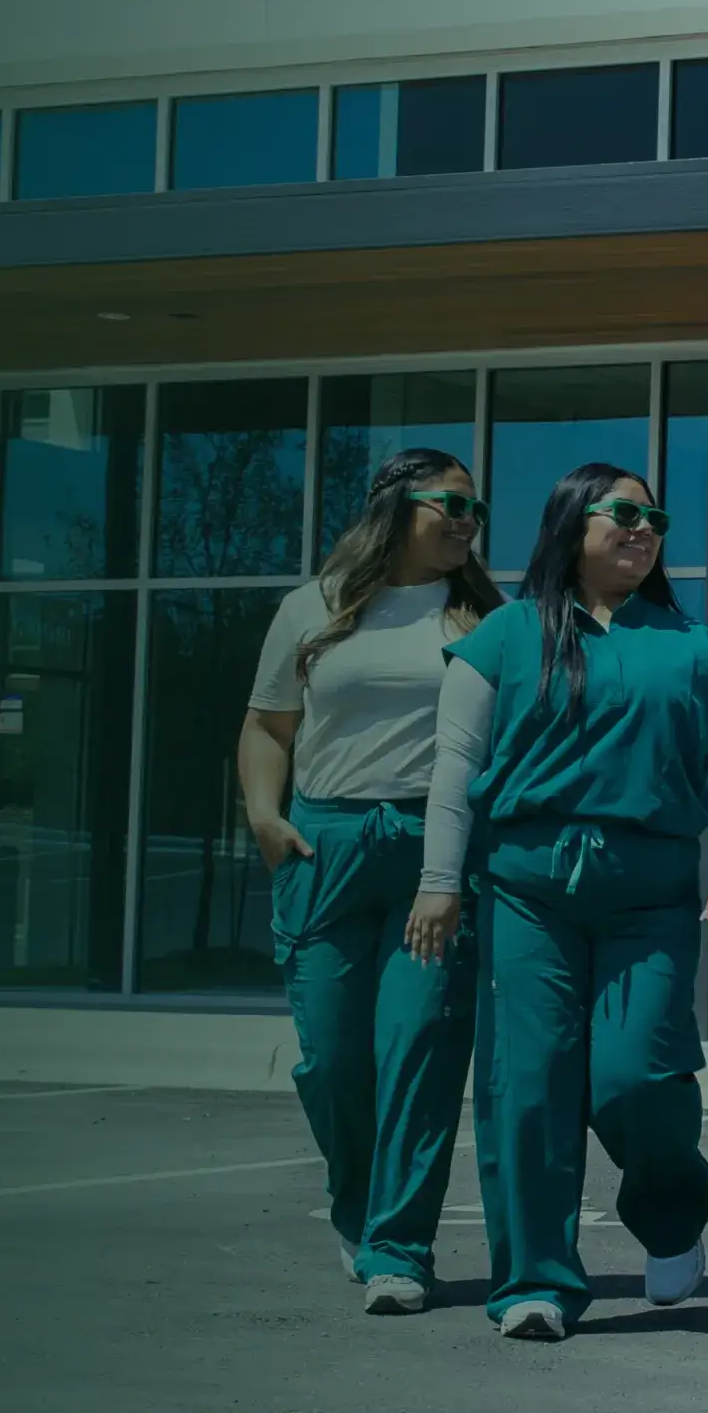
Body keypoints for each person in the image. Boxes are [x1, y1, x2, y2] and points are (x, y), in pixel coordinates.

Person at [407, 463, 708, 1340]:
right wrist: (440, 881)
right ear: (571, 523)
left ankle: (673, 1218)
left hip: (651, 897)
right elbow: (455, 767)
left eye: (656, 519)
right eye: (625, 514)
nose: (644, 529)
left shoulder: (696, 649)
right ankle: (536, 1283)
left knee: (637, 1075)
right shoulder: (504, 635)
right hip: (528, 895)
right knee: (528, 1088)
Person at [238, 448, 499, 1313]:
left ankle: (399, 1248)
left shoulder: (484, 616)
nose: (466, 520)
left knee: (421, 1051)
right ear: (395, 505)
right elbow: (268, 726)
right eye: (450, 503)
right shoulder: (311, 608)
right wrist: (265, 816)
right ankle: (356, 1205)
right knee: (333, 1059)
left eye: (475, 508)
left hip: (437, 850)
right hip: (326, 848)